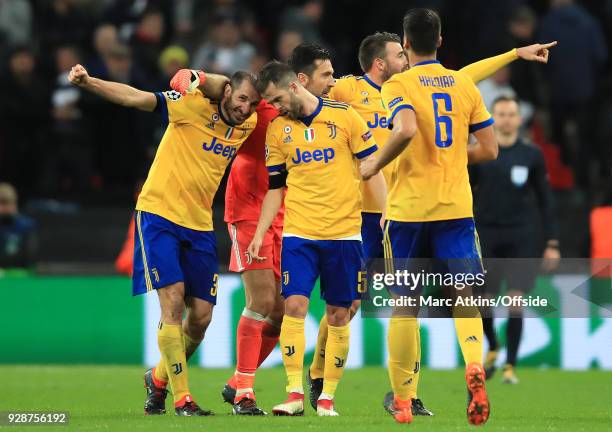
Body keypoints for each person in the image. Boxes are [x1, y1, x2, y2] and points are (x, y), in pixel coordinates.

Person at [311, 32, 558, 416]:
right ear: (380, 62)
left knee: (405, 305)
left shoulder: (410, 89)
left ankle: (408, 393)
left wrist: (512, 53)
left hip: (401, 213)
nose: (405, 58)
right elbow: (312, 98)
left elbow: (466, 74)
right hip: (359, 216)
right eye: (398, 54)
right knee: (347, 304)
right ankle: (318, 377)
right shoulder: (348, 89)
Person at [69, 63, 260, 416]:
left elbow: (246, 92)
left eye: (252, 103)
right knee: (172, 304)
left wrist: (202, 77)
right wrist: (89, 81)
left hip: (200, 224)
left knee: (201, 319)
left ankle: (157, 379)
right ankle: (182, 398)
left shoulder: (247, 123)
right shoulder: (188, 105)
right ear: (227, 92)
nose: (245, 109)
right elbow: (134, 98)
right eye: (242, 99)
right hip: (159, 214)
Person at [170, 43, 338, 415]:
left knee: (280, 313)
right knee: (261, 302)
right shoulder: (262, 104)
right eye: (327, 75)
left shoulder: (320, 111)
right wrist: (195, 76)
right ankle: (245, 391)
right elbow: (225, 86)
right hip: (247, 210)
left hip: (288, 213)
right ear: (300, 79)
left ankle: (227, 381)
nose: (332, 82)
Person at [360, 8, 500, 425]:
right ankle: (474, 364)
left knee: (406, 305)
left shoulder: (398, 83)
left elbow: (403, 130)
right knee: (464, 298)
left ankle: (403, 401)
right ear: (440, 41)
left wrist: (373, 166)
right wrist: (454, 158)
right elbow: (491, 150)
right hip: (456, 208)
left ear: (405, 43)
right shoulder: (462, 83)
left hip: (407, 211)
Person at [249, 61, 386, 416]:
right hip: (300, 234)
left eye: (277, 99)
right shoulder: (278, 130)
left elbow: (372, 169)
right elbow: (275, 188)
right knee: (294, 306)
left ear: (295, 85)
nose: (275, 108)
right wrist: (260, 232)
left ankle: (327, 398)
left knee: (340, 314)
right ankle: (294, 393)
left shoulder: (345, 117)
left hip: (344, 234)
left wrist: (386, 213)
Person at [470, 96, 560, 384]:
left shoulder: (531, 155)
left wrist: (551, 242)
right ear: (492, 117)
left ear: (520, 119)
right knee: (483, 300)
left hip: (522, 234)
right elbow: (464, 191)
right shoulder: (482, 152)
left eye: (512, 114)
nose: (507, 119)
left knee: (515, 300)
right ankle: (494, 346)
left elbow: (545, 200)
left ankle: (509, 366)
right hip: (486, 232)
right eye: (501, 114)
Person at [0, 183, 36, 269]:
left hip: (21, 274)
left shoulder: (26, 225)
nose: (2, 207)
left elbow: (30, 256)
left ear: (14, 204)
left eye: (6, 203)